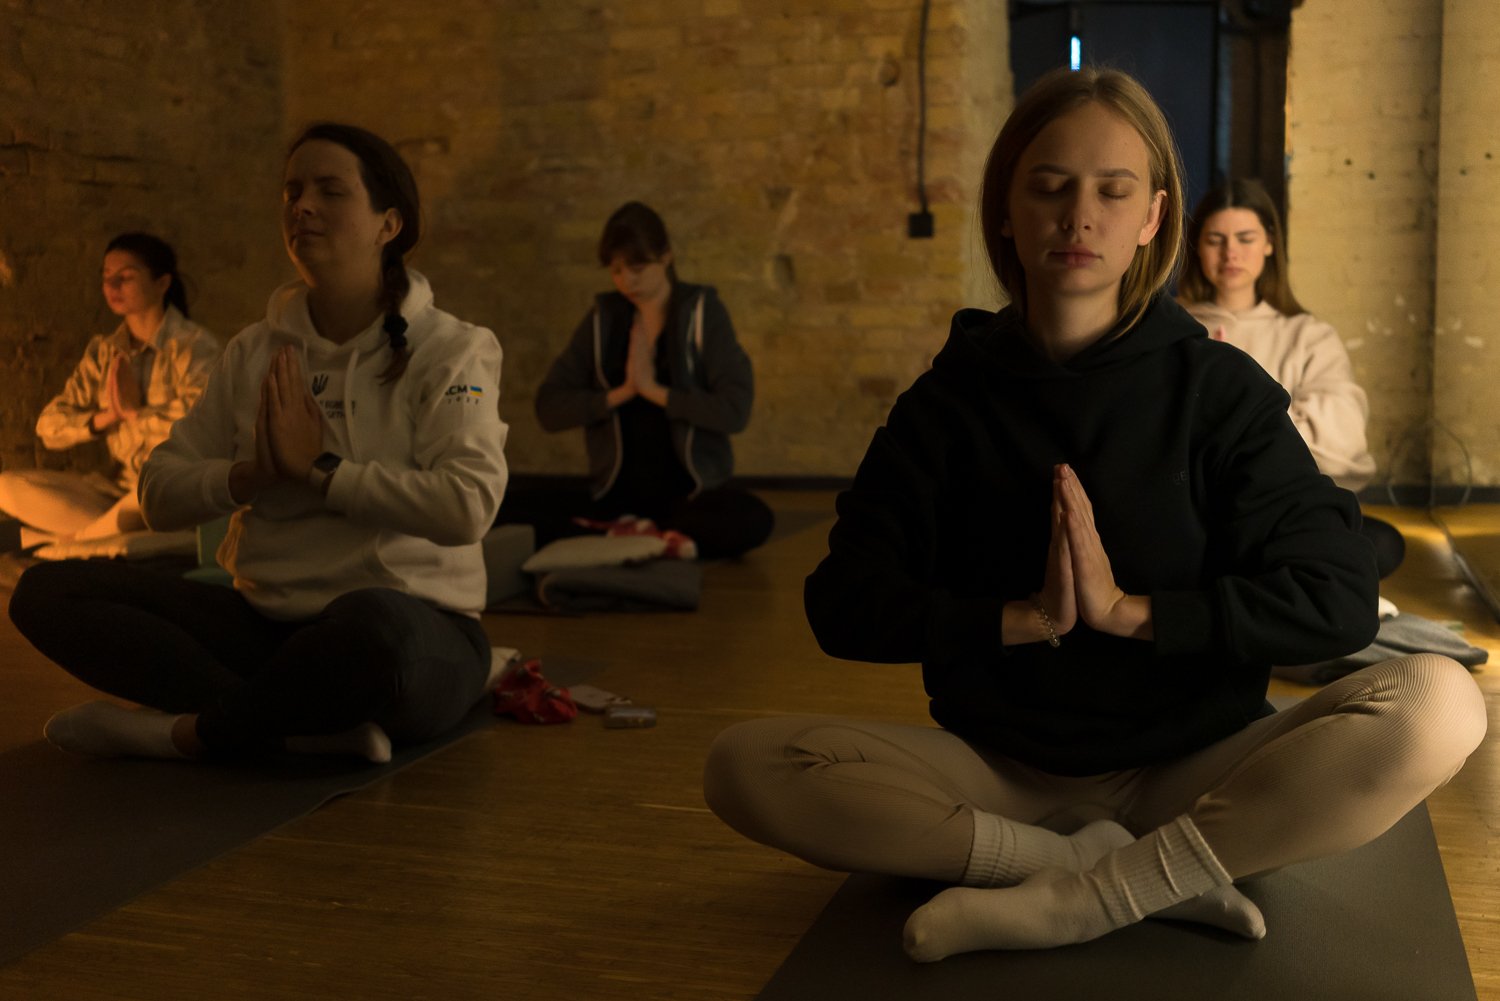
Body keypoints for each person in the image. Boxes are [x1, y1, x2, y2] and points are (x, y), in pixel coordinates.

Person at [701, 68, 1485, 962]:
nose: (1079, 215)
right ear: (1006, 208)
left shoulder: (1217, 392)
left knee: (1440, 702)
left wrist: (1130, 614)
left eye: (1112, 191)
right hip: (1001, 774)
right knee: (744, 765)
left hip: (1197, 772)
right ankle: (1088, 870)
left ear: (1151, 219)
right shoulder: (947, 403)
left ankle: (1085, 895)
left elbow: (1339, 599)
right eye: (1050, 186)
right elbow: (841, 601)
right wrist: (1020, 620)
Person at [9, 122, 510, 765]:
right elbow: (159, 490)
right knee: (47, 592)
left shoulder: (453, 348)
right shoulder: (256, 350)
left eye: (330, 191)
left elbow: (468, 506)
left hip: (409, 626)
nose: (302, 207)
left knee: (369, 636)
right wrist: (248, 477)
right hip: (266, 622)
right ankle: (294, 727)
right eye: (292, 192)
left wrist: (320, 470)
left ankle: (182, 736)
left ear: (389, 224)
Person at [517, 201, 773, 560]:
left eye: (638, 267)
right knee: (510, 505)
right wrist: (620, 394)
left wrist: (656, 391)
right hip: (616, 496)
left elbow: (734, 411)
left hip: (689, 497)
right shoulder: (603, 319)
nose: (627, 281)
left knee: (753, 519)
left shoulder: (703, 312)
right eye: (616, 270)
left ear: (666, 257)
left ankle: (627, 538)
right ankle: (648, 538)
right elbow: (549, 408)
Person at [1179, 178, 1404, 577]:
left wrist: (1228, 437)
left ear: (1269, 243)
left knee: (1379, 543)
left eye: (1245, 238)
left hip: (1275, 510)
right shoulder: (1175, 327)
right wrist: (1275, 424)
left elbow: (1342, 434)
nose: (1231, 253)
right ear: (1199, 246)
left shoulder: (1306, 335)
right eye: (1216, 239)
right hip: (1190, 508)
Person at [0, 233, 218, 549]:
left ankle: (66, 542)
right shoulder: (104, 352)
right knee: (6, 486)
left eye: (126, 277)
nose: (113, 287)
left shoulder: (195, 348)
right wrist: (107, 417)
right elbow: (48, 426)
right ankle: (100, 537)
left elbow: (202, 425)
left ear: (161, 283)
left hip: (171, 491)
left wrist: (134, 415)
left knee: (147, 499)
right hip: (115, 494)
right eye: (106, 277)